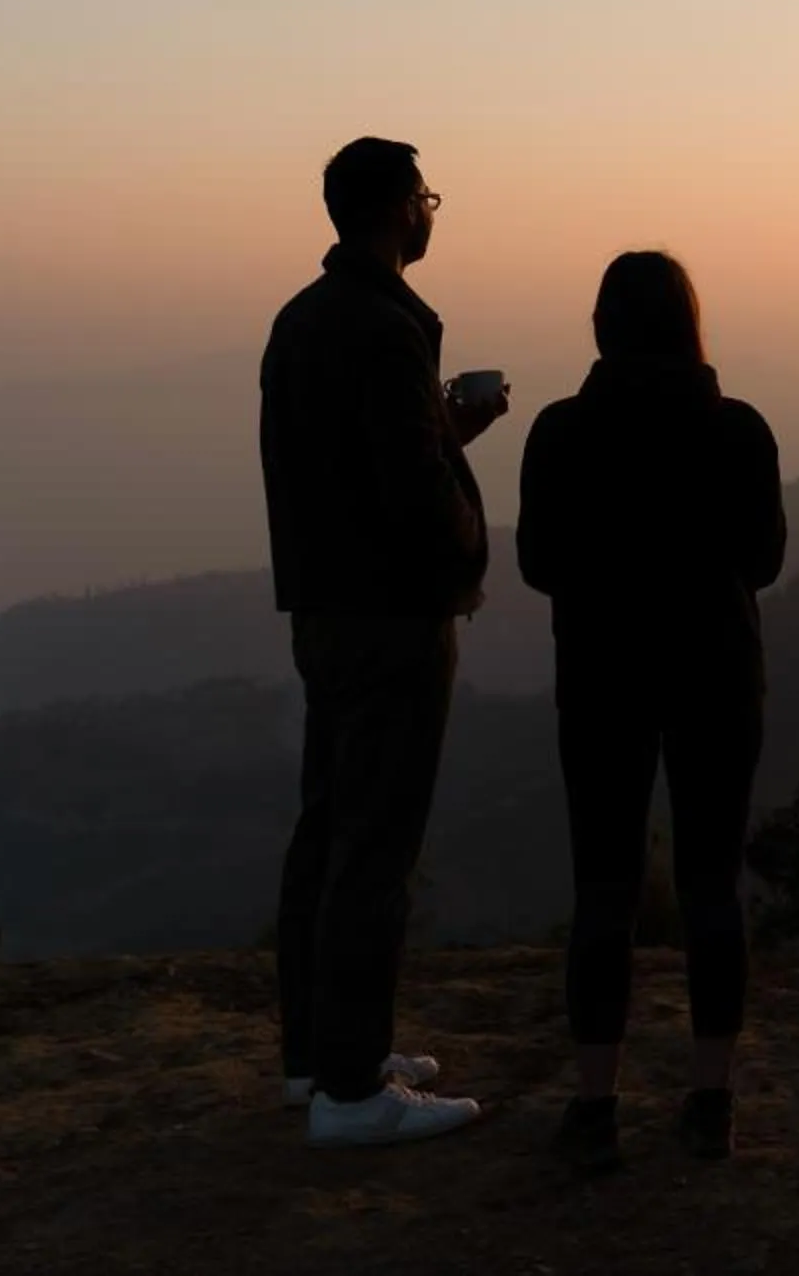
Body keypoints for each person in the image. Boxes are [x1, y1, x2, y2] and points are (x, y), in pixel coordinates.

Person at [516, 250, 785, 1173]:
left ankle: (596, 1107)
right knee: (713, 885)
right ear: (690, 325)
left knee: (604, 891)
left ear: (601, 328)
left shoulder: (557, 434)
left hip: (601, 680)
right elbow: (764, 561)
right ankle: (710, 1102)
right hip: (717, 676)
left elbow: (539, 566)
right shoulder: (740, 432)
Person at [260, 137, 504, 1147]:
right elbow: (409, 494)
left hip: (323, 610)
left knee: (329, 829)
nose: (431, 210)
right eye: (426, 196)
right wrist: (463, 553)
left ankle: (320, 1054)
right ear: (398, 209)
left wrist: (446, 426)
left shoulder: (304, 320)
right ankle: (353, 1094)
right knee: (375, 845)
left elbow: (347, 467)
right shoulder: (383, 327)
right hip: (391, 617)